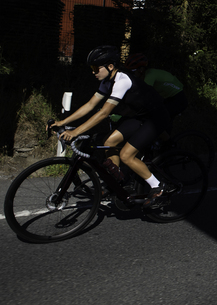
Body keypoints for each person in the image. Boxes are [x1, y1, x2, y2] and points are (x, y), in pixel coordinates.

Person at [49, 46, 173, 209]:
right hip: (139, 116)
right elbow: (90, 105)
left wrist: (75, 132)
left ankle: (158, 187)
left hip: (156, 118)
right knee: (109, 141)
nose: (93, 72)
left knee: (126, 155)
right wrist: (62, 123)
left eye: (95, 68)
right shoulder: (107, 81)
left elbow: (103, 113)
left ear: (110, 66)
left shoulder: (122, 81)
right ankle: (118, 181)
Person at [124, 53, 188, 123]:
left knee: (156, 120)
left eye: (133, 71)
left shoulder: (150, 76)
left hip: (178, 99)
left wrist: (125, 113)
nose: (131, 75)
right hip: (169, 99)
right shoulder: (146, 76)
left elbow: (142, 98)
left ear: (141, 69)